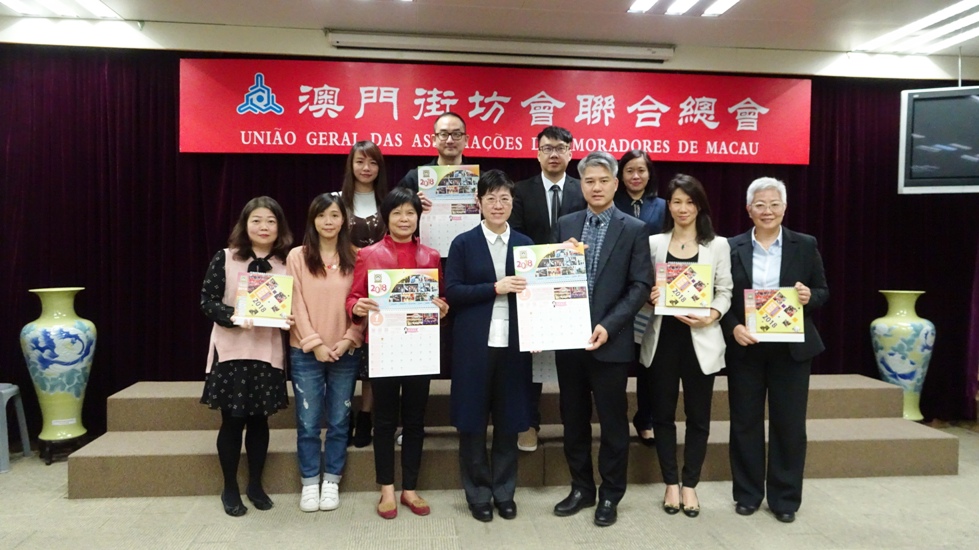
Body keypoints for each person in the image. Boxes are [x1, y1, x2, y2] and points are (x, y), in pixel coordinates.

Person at [551, 152, 652, 527]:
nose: (596, 187)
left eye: (603, 180)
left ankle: (610, 494)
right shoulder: (565, 224)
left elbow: (640, 285)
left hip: (611, 341)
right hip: (569, 342)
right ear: (581, 185)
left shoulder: (634, 228)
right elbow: (550, 280)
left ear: (615, 183)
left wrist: (609, 325)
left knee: (612, 423)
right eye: (589, 181)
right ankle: (581, 488)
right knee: (573, 420)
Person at [721, 177, 829, 524]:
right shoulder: (730, 246)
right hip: (746, 347)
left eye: (774, 204)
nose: (767, 210)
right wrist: (733, 327)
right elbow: (720, 296)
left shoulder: (805, 244)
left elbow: (822, 290)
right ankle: (747, 494)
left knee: (789, 425)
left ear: (784, 207)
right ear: (748, 209)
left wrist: (809, 297)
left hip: (791, 349)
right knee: (745, 423)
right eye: (760, 204)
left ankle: (784, 499)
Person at [346, 186, 450, 520]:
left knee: (416, 420)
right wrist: (356, 306)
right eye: (397, 213)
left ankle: (410, 489)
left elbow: (441, 298)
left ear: (418, 217)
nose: (404, 219)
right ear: (386, 218)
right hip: (384, 346)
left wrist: (442, 307)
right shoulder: (369, 254)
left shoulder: (431, 256)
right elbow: (353, 297)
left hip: (419, 347)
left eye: (410, 213)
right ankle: (387, 489)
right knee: (385, 420)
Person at [639, 174, 732, 518]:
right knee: (662, 415)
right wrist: (649, 297)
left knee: (698, 416)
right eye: (676, 201)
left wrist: (712, 314)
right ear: (668, 205)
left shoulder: (717, 245)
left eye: (690, 202)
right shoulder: (654, 243)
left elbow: (725, 291)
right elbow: (641, 288)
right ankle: (670, 482)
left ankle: (690, 483)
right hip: (662, 339)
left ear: (700, 206)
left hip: (701, 340)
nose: (683, 208)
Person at [445, 170, 534, 522]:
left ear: (513, 203)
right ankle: (479, 493)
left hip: (515, 344)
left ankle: (504, 491)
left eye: (504, 199)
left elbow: (539, 295)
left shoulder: (526, 244)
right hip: (473, 345)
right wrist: (495, 288)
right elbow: (453, 292)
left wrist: (540, 331)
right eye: (491, 199)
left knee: (509, 420)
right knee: (472, 421)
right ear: (478, 202)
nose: (498, 205)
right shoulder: (463, 243)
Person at [199, 196, 294, 517]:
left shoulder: (287, 263)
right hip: (231, 352)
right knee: (232, 420)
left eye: (271, 221)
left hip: (267, 352)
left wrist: (290, 317)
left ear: (279, 227)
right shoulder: (225, 258)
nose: (264, 227)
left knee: (259, 420)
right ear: (245, 224)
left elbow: (294, 305)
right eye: (257, 220)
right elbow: (207, 301)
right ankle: (229, 487)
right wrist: (234, 316)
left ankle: (255, 484)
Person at [510, 125, 586, 452]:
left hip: (575, 290)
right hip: (533, 289)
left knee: (573, 361)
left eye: (560, 148)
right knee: (530, 358)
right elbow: (516, 238)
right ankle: (529, 423)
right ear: (537, 153)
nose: (553, 154)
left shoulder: (584, 189)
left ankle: (574, 426)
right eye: (547, 148)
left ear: (571, 152)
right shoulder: (519, 191)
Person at [287, 193, 365, 512]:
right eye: (321, 216)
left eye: (334, 215)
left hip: (345, 351)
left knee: (339, 419)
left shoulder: (358, 256)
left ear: (344, 219)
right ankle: (309, 482)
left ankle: (331, 480)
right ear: (313, 220)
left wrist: (349, 338)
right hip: (306, 351)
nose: (328, 222)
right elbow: (295, 304)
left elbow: (363, 303)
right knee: (307, 421)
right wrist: (314, 343)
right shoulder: (297, 256)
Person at [614, 149, 667, 447]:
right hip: (618, 296)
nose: (636, 176)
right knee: (618, 364)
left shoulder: (664, 207)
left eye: (641, 170)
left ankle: (646, 419)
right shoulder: (610, 202)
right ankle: (617, 421)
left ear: (650, 174)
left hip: (653, 297)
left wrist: (655, 289)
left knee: (650, 364)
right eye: (630, 170)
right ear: (620, 175)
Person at [339, 141, 390, 448]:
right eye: (360, 162)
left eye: (372, 163)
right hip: (343, 283)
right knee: (346, 354)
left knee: (373, 357)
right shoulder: (337, 201)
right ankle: (342, 414)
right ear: (351, 165)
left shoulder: (389, 202)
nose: (366, 168)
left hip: (381, 288)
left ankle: (366, 416)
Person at [397, 112, 469, 211]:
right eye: (443, 134)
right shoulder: (414, 178)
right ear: (434, 140)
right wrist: (413, 205)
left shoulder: (480, 180)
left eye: (456, 134)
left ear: (466, 140)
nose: (450, 140)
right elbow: (394, 210)